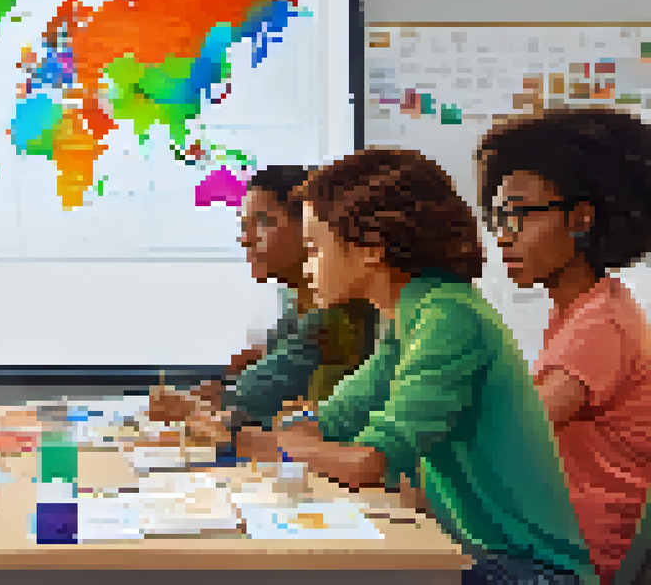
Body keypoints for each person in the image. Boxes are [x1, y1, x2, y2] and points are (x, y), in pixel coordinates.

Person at [234, 147, 596, 585]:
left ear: (370, 249)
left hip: (531, 568)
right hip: (477, 548)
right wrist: (305, 422)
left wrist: (268, 445)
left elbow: (369, 460)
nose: (307, 266)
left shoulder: (448, 314)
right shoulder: (410, 313)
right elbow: (340, 416)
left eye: (313, 248)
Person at [476, 107, 651, 584]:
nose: (503, 236)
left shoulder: (602, 325)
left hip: (570, 566)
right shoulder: (581, 311)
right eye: (498, 217)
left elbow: (509, 435)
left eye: (518, 216)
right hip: (546, 545)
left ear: (580, 219)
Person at [148, 165, 378, 444]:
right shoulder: (297, 309)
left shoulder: (338, 316)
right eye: (244, 227)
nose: (246, 240)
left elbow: (254, 400)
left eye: (263, 222)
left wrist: (200, 408)